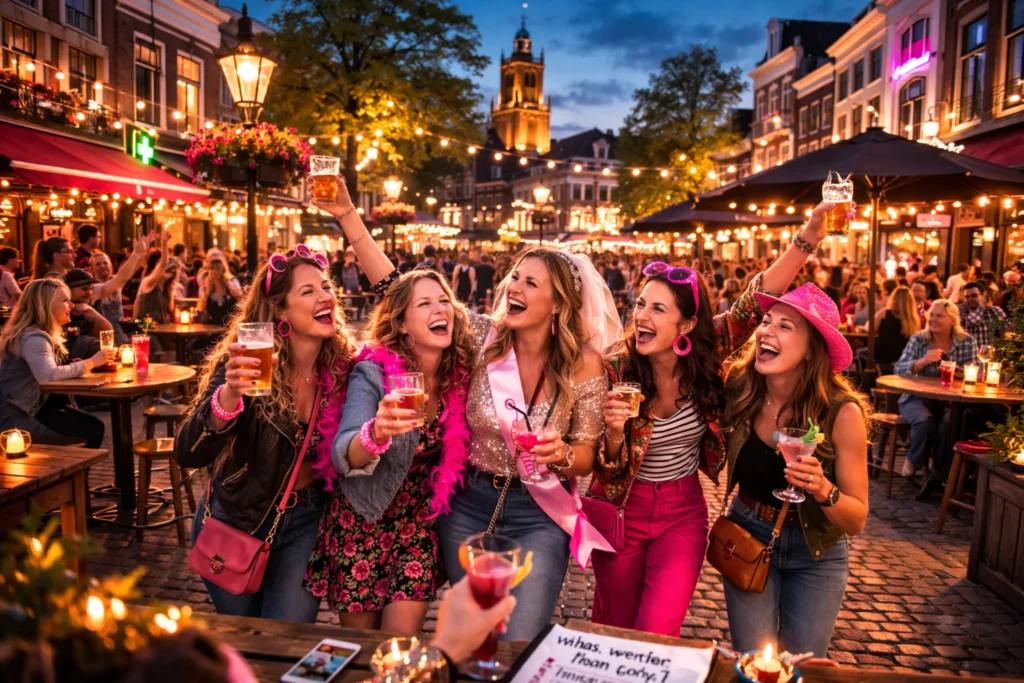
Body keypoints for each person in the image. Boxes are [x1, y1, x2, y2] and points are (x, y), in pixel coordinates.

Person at [592, 202, 845, 637]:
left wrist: (811, 234)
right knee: (613, 626)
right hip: (619, 507)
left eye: (658, 309)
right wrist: (613, 434)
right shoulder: (616, 366)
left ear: (687, 324)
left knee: (658, 630)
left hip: (681, 513)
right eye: (640, 304)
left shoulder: (708, 358)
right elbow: (602, 463)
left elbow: (757, 299)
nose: (641, 317)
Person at [174, 175, 397, 622]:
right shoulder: (247, 363)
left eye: (327, 288)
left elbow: (398, 293)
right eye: (308, 291)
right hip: (237, 519)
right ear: (280, 311)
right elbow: (189, 453)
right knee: (246, 643)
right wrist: (229, 396)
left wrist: (349, 217)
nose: (325, 297)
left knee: (289, 639)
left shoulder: (344, 370)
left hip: (307, 523)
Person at [438, 247, 619, 642]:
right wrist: (348, 215)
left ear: (557, 304)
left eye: (530, 282)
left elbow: (586, 455)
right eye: (515, 277)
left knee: (517, 640)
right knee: (476, 636)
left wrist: (563, 455)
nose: (514, 287)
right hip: (468, 505)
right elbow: (403, 289)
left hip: (538, 515)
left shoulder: (584, 363)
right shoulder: (482, 338)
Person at [305, 270, 472, 633]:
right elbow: (342, 453)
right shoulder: (373, 372)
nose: (439, 308)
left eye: (444, 300)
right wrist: (376, 432)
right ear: (401, 323)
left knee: (399, 643)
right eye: (424, 303)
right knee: (364, 647)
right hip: (363, 519)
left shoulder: (460, 372)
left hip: (417, 525)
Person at [721, 283, 870, 657]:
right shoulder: (741, 388)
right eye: (767, 321)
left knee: (803, 665)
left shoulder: (841, 412)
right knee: (754, 664)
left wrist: (824, 489)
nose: (766, 331)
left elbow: (856, 519)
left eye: (785, 326)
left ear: (811, 349)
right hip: (748, 535)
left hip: (816, 553)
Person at [0, 279, 113, 448]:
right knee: (92, 430)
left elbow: (45, 369)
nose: (72, 306)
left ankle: (74, 473)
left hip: (32, 408)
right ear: (45, 305)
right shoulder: (34, 337)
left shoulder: (35, 333)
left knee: (93, 426)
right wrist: (91, 362)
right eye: (65, 301)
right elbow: (48, 376)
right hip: (16, 418)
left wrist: (72, 365)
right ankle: (71, 473)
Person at [894, 300, 978, 488]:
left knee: (951, 423)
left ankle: (939, 470)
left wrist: (957, 372)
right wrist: (923, 360)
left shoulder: (966, 342)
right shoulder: (919, 339)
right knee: (924, 420)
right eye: (931, 315)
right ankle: (914, 458)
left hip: (950, 400)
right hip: (916, 397)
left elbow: (976, 371)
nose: (933, 319)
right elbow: (899, 368)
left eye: (939, 316)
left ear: (952, 319)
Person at [89, 233, 156, 345]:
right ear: (91, 269)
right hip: (102, 336)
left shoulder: (117, 282)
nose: (102, 266)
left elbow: (135, 267)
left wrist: (144, 248)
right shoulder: (92, 287)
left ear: (110, 265)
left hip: (121, 333)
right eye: (98, 264)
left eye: (105, 263)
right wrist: (136, 253)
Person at [134, 233, 177, 325]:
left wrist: (171, 292)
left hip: (164, 325)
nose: (168, 273)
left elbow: (171, 309)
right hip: (148, 326)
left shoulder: (168, 288)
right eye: (168, 270)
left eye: (171, 272)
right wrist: (164, 243)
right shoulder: (149, 282)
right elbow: (163, 265)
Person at [873, 286, 920, 366]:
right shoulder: (913, 319)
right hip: (904, 358)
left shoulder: (884, 314)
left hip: (883, 356)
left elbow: (872, 329)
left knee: (860, 352)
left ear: (893, 299)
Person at [958, 281, 1006, 347]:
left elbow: (1004, 335)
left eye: (974, 296)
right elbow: (973, 321)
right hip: (966, 355)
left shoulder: (994, 311)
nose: (970, 299)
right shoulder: (960, 311)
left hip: (988, 354)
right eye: (967, 297)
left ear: (983, 295)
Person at [197, 258, 243, 328]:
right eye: (212, 269)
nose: (214, 271)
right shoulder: (204, 288)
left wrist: (227, 284)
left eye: (218, 269)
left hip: (229, 326)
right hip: (211, 327)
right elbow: (200, 308)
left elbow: (240, 296)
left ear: (223, 271)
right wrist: (207, 291)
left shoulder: (230, 283)